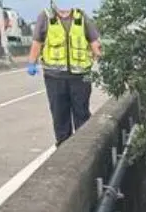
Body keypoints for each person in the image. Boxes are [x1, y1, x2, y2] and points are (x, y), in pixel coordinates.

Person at [26, 3, 102, 147]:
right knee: (60, 115)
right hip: (54, 77)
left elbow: (94, 42)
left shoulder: (82, 17)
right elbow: (37, 41)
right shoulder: (46, 16)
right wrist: (32, 62)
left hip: (80, 76)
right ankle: (63, 148)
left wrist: (103, 57)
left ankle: (84, 148)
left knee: (82, 113)